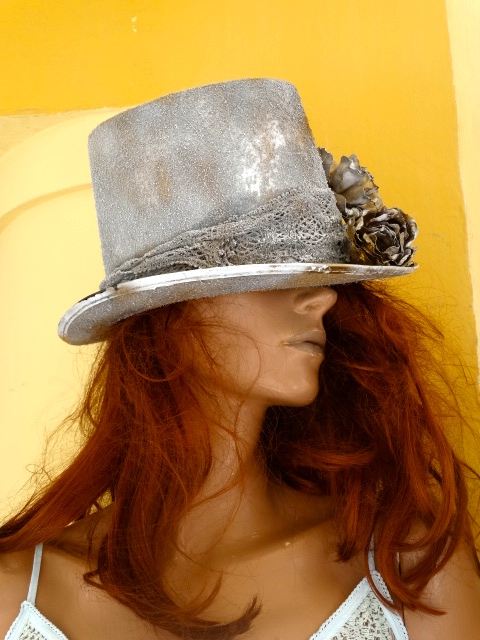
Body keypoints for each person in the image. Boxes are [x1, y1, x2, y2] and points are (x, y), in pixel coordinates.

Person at [0, 79, 479, 640]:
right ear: (167, 314)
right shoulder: (16, 595)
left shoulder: (409, 569)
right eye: (268, 274)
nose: (323, 298)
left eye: (321, 273)